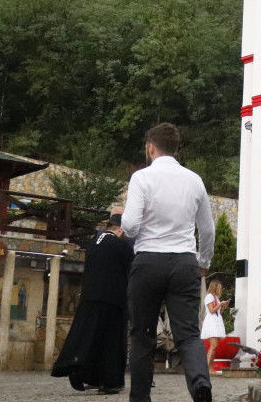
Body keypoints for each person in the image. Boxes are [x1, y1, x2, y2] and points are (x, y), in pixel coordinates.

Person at [122, 123, 215, 402]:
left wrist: (132, 226)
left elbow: (130, 224)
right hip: (184, 262)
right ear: (176, 148)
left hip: (148, 261)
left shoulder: (142, 178)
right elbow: (208, 229)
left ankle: (140, 398)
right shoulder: (194, 180)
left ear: (150, 147)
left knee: (142, 334)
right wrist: (203, 261)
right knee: (187, 333)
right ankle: (200, 383)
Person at [51, 213, 134, 393]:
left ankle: (77, 368)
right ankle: (109, 381)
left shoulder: (94, 242)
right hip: (113, 298)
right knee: (110, 340)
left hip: (89, 296)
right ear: (120, 229)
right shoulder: (120, 244)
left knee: (87, 335)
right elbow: (132, 268)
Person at [201, 279, 229, 374]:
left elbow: (218, 312)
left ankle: (210, 368)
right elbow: (212, 310)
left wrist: (224, 306)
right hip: (211, 322)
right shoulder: (209, 297)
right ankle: (205, 369)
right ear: (215, 287)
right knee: (213, 346)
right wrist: (220, 304)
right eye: (219, 287)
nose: (220, 289)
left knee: (215, 347)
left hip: (216, 321)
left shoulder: (216, 297)